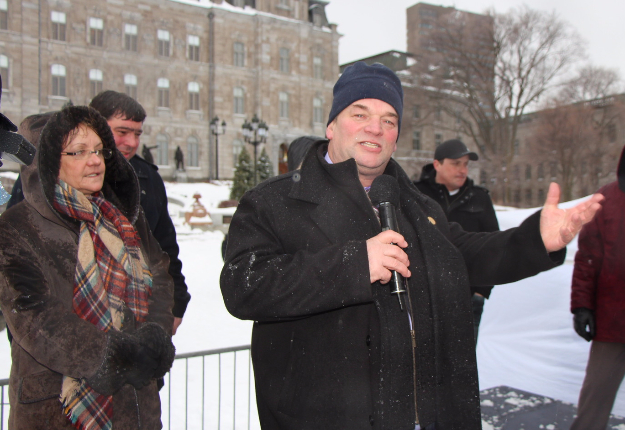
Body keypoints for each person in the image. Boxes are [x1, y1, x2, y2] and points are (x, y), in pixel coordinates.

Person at [220, 61, 603, 430]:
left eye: (389, 121)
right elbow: (244, 285)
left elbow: (466, 255)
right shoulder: (275, 202)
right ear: (331, 125)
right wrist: (354, 265)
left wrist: (536, 239)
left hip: (428, 414)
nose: (376, 128)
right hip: (328, 417)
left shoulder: (418, 204)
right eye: (360, 113)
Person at [0, 106, 175, 429]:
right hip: (57, 406)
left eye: (98, 150)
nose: (95, 160)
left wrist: (154, 335)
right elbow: (33, 314)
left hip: (135, 402)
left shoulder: (123, 216)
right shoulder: (17, 226)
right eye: (78, 152)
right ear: (48, 162)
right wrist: (109, 354)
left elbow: (160, 273)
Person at [8, 91, 191, 335]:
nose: (132, 142)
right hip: (65, 342)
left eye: (137, 134)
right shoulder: (36, 185)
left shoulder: (146, 178)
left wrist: (173, 307)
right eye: (122, 132)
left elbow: (164, 249)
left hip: (138, 331)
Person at [414, 139, 499, 342]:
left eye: (466, 164)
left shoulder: (479, 198)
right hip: (422, 298)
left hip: (467, 298)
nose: (462, 170)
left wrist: (481, 291)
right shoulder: (415, 194)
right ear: (437, 165)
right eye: (455, 163)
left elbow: (493, 245)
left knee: (462, 366)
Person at [569, 145, 625, 430]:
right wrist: (582, 306)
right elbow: (587, 258)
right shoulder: (606, 200)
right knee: (595, 401)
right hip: (613, 320)